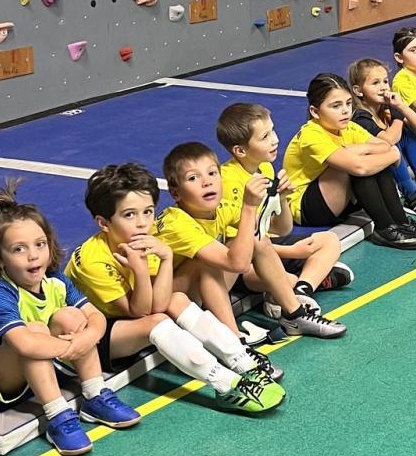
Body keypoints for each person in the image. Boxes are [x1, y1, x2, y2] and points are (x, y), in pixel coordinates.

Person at [66, 162, 294, 409]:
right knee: (158, 321)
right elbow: (141, 311)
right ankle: (225, 385)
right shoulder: (93, 260)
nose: (143, 222)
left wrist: (165, 259)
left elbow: (163, 301)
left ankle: (242, 361)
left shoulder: (147, 237)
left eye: (148, 211)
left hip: (135, 316)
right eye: (129, 215)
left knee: (176, 299)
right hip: (94, 338)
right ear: (103, 223)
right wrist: (142, 270)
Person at [0, 183, 129, 456]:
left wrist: (86, 337)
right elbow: (25, 344)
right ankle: (58, 416)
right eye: (19, 249)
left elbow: (96, 317)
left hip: (43, 356)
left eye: (39, 244)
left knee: (71, 316)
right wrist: (72, 347)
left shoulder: (56, 280)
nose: (33, 255)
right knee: (34, 333)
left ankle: (95, 395)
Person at [155, 143, 289, 410]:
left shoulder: (220, 208)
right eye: (194, 178)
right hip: (163, 299)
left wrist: (281, 198)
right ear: (175, 193)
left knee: (256, 241)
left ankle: (294, 312)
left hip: (194, 294)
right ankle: (235, 344)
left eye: (212, 174)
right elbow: (237, 263)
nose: (207, 182)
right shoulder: (176, 222)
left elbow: (281, 230)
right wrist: (250, 207)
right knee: (206, 262)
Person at [214, 103, 348, 336]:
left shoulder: (265, 168)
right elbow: (240, 247)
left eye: (273, 131)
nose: (275, 140)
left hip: (270, 246)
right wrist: (292, 252)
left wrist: (283, 198)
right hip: (245, 264)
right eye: (265, 137)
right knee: (280, 277)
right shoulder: (228, 181)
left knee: (330, 240)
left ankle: (302, 289)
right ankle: (296, 288)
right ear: (240, 151)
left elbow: (282, 228)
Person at [281, 74, 416, 250]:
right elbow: (360, 167)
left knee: (371, 162)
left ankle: (401, 222)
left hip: (341, 200)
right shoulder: (311, 134)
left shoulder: (349, 127)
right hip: (308, 207)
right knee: (358, 166)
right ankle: (384, 228)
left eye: (348, 103)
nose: (346, 111)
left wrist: (362, 150)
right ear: (315, 112)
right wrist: (388, 154)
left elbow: (386, 146)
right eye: (336, 106)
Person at [348, 57, 416, 220]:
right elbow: (389, 140)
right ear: (358, 90)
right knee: (393, 141)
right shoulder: (359, 116)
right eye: (375, 83)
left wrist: (401, 107)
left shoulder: (386, 108)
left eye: (385, 81)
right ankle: (411, 194)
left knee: (408, 132)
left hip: (390, 171)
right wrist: (398, 117)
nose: (382, 87)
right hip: (369, 178)